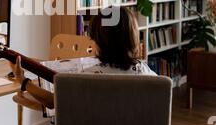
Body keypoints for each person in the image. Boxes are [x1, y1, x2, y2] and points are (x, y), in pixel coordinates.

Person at [10, 6, 156, 111]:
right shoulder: (148, 75)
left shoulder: (89, 78)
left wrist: (23, 81)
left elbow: (54, 102)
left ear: (100, 42)